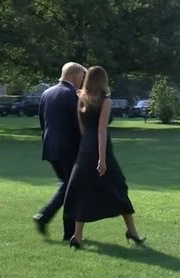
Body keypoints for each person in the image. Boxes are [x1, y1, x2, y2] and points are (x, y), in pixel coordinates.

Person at [63, 66, 145, 249]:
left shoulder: (81, 99)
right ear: (102, 81)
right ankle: (131, 231)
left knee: (83, 190)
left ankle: (77, 236)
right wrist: (102, 159)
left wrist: (88, 146)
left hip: (85, 148)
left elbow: (82, 127)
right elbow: (102, 129)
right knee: (118, 187)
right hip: (100, 149)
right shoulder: (105, 101)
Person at [32, 62, 87, 241]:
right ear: (73, 75)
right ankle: (44, 216)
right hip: (69, 148)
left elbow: (42, 122)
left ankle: (68, 233)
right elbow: (78, 124)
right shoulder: (72, 95)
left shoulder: (46, 93)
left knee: (69, 186)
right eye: (81, 77)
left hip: (50, 147)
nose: (83, 81)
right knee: (71, 187)